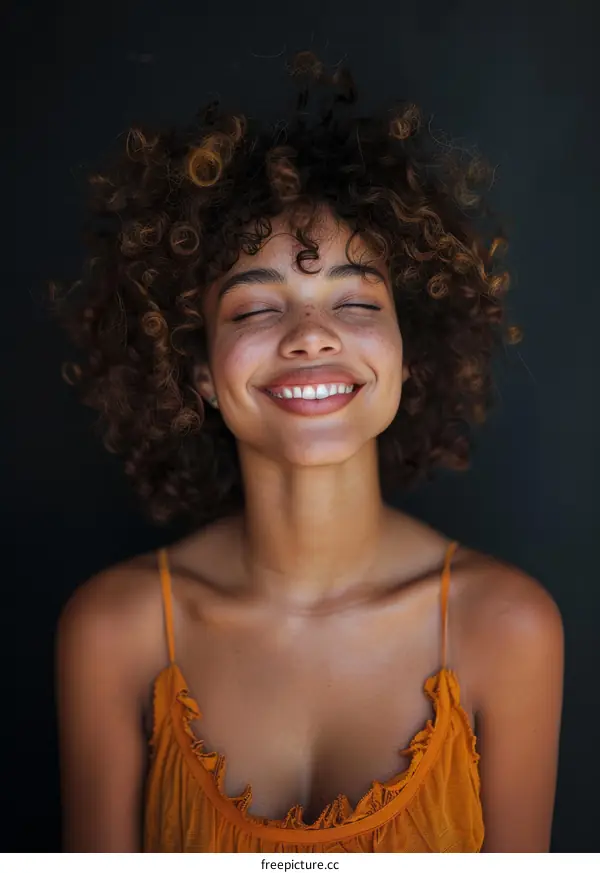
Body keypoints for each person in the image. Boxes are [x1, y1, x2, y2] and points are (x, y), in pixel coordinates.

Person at [53, 52, 564, 853]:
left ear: (406, 354)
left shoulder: (509, 629)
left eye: (356, 300)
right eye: (257, 307)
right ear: (197, 373)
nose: (312, 334)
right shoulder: (115, 633)